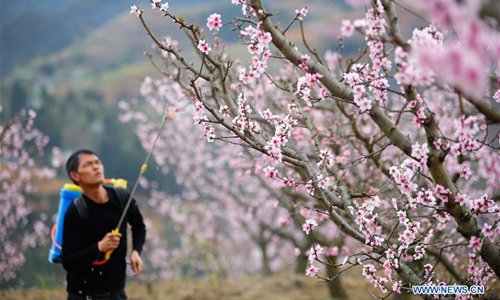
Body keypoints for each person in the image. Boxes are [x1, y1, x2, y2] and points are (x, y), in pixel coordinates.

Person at [62, 149, 146, 300]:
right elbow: (68, 261)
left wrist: (136, 252)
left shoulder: (121, 198)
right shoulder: (75, 211)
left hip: (117, 293)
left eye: (97, 162)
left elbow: (139, 226)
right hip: (83, 295)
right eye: (88, 165)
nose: (96, 167)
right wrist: (99, 247)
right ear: (75, 175)